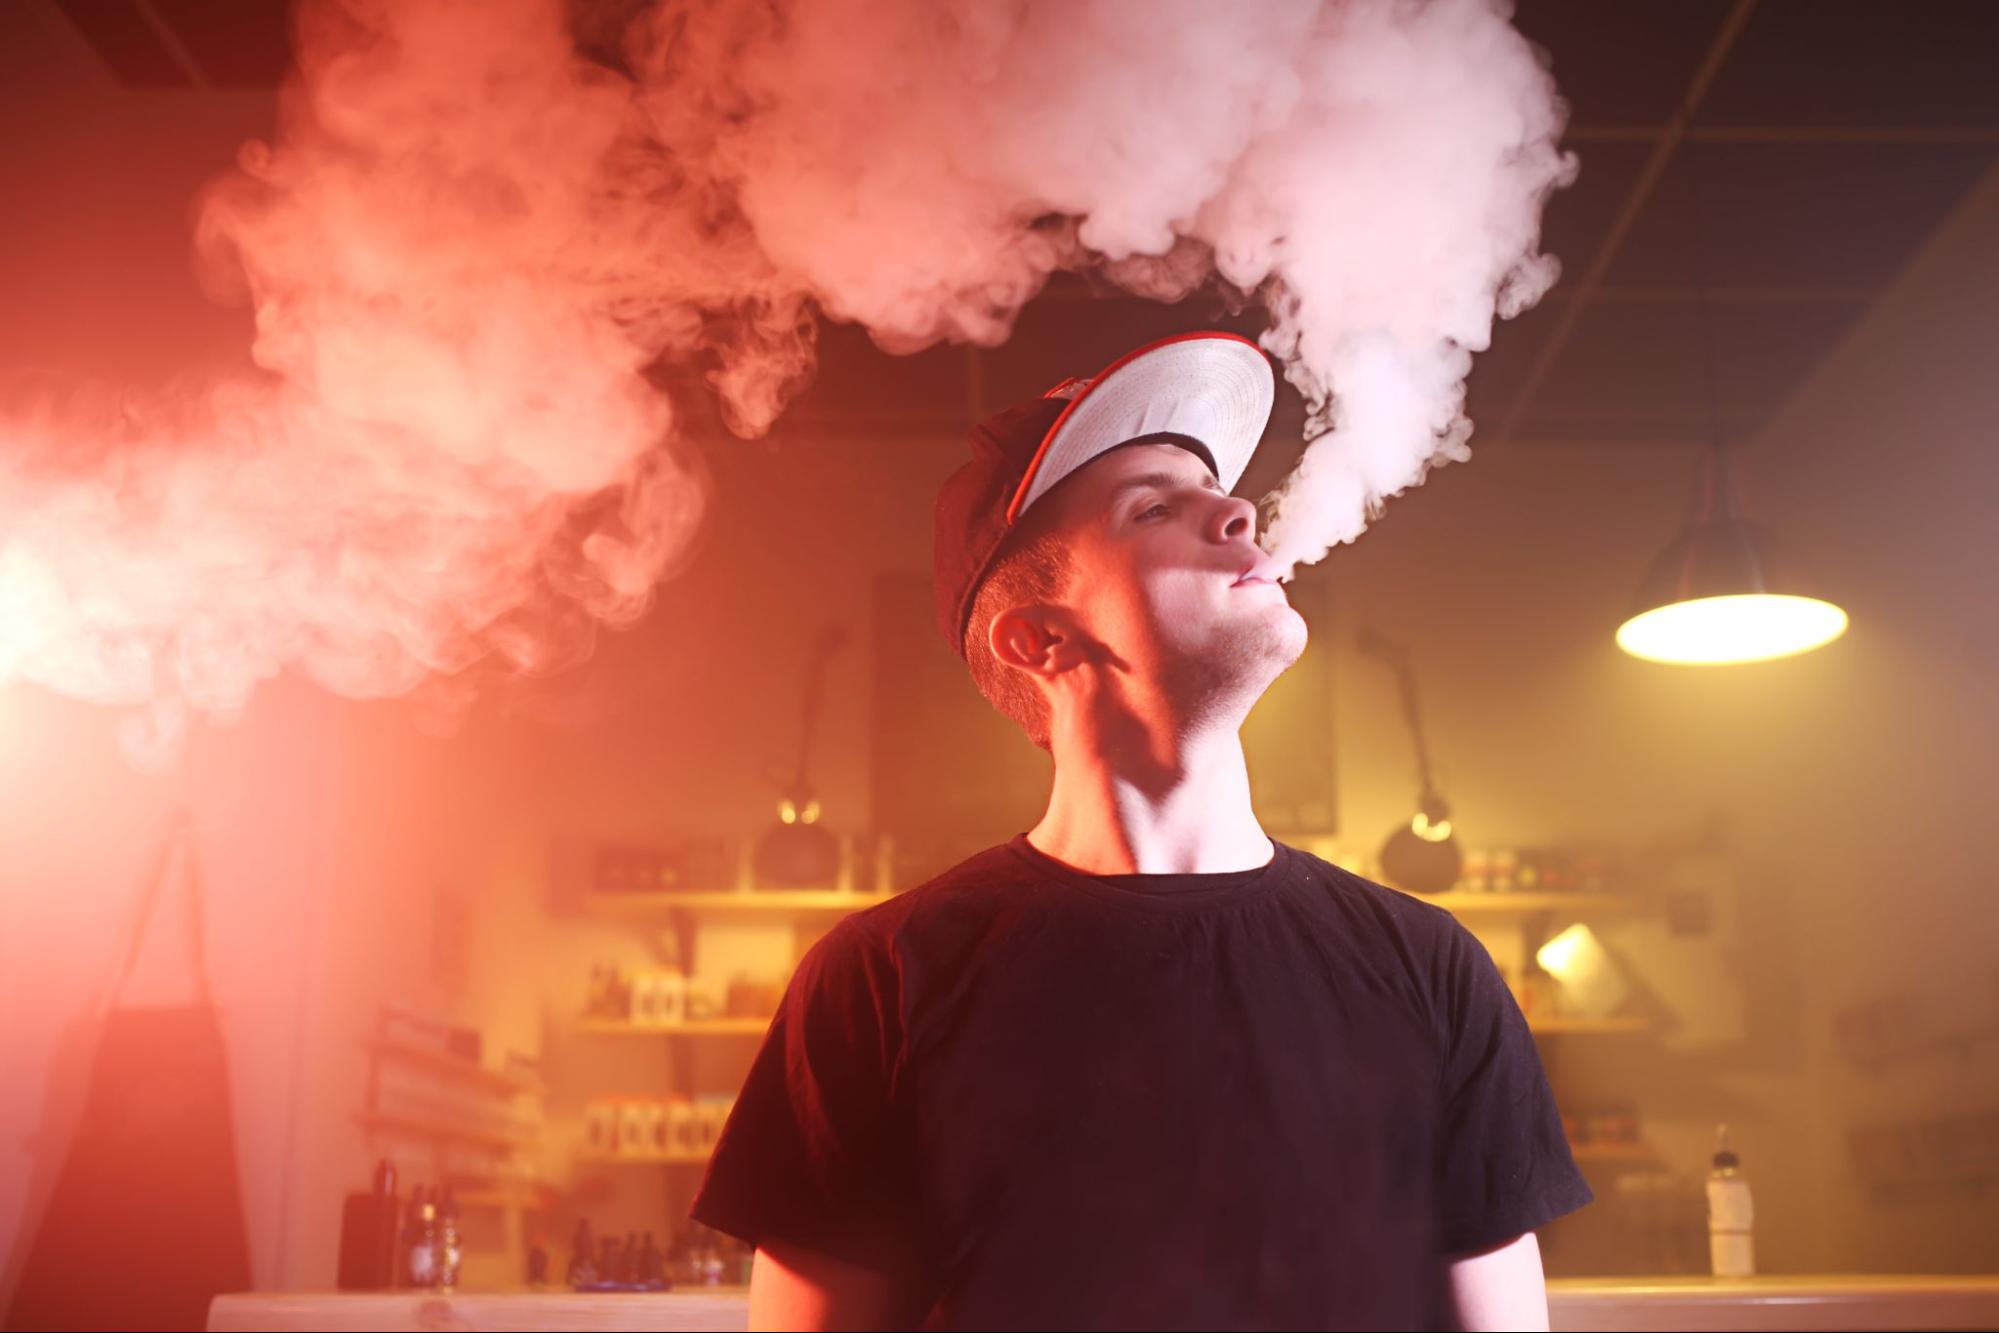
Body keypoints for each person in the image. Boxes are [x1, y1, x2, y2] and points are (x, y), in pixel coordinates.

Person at [691, 332, 1592, 1330]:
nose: (1238, 512)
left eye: (1216, 489)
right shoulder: (878, 980)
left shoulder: (1430, 967)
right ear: (1040, 637)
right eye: (1153, 507)